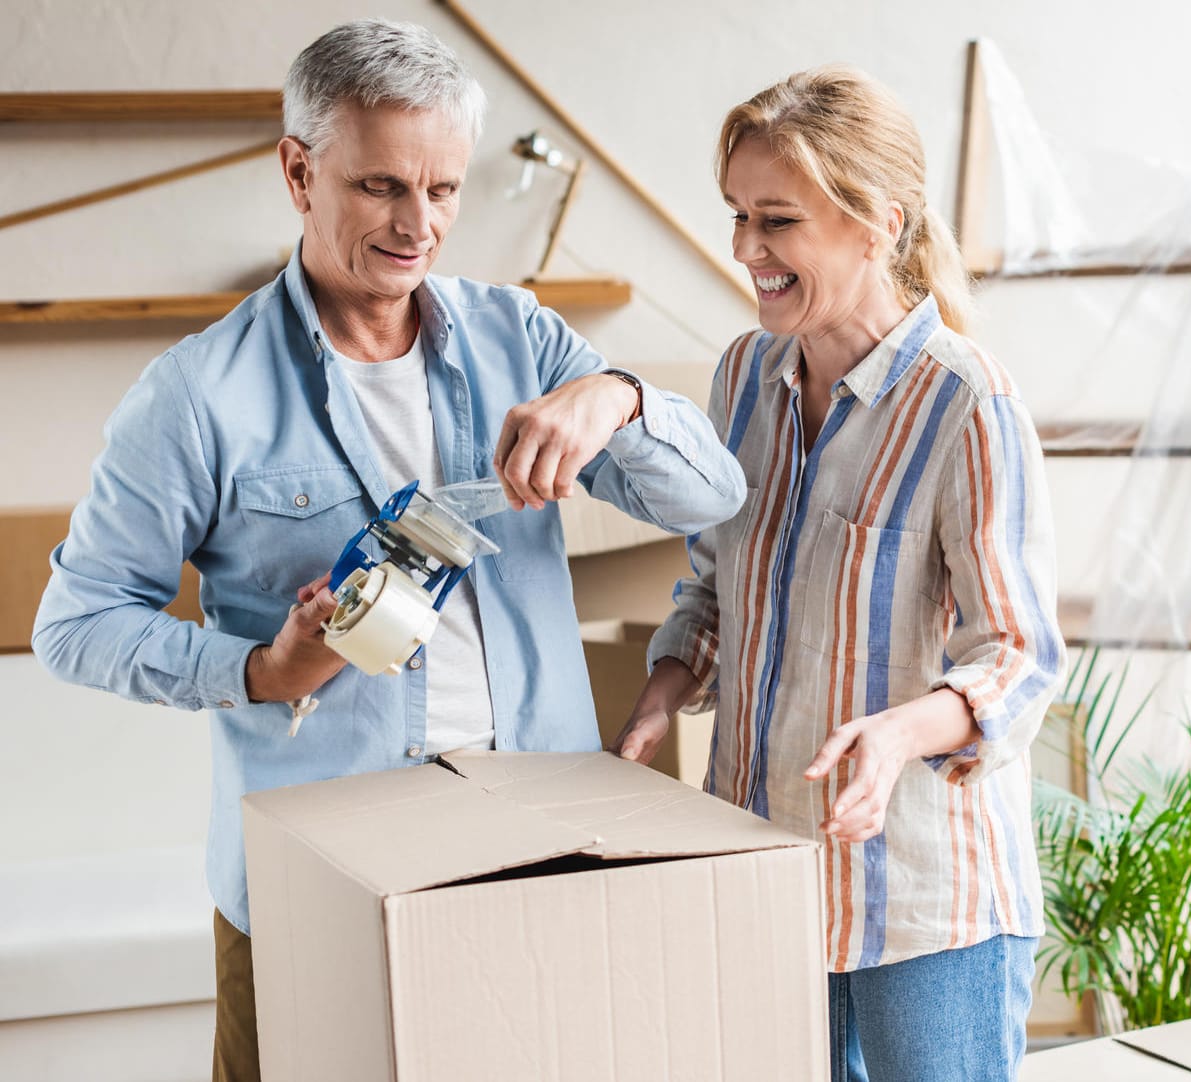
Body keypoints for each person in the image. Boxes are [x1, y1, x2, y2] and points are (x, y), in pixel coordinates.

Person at [31, 20, 743, 1082]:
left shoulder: (525, 341)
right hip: (314, 883)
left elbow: (713, 493)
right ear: (298, 169)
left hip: (534, 854)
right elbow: (75, 624)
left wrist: (618, 396)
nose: (420, 226)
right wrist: (260, 670)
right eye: (381, 188)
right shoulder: (196, 394)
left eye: (445, 190)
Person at [615, 66, 1064, 1082]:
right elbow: (715, 582)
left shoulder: (966, 402)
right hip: (762, 877)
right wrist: (668, 685)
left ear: (875, 224)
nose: (744, 250)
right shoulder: (741, 376)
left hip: (923, 909)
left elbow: (1021, 657)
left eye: (777, 220)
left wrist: (901, 730)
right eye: (737, 215)